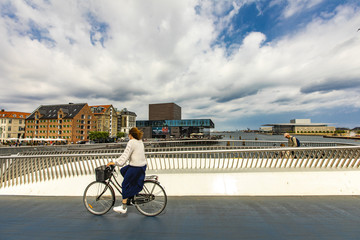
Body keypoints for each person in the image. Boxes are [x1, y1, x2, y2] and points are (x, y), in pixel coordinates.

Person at [107, 127, 147, 214]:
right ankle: (130, 194)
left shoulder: (131, 142)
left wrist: (114, 162)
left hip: (135, 167)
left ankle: (124, 206)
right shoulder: (140, 141)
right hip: (142, 166)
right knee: (123, 171)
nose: (128, 136)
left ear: (131, 135)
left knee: (124, 184)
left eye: (129, 134)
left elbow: (125, 155)